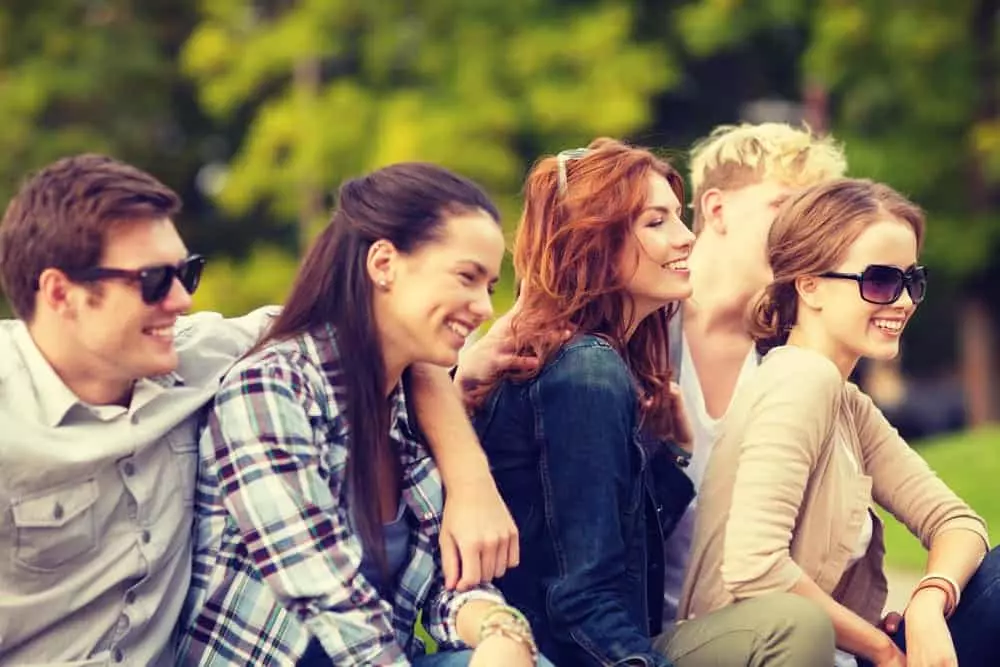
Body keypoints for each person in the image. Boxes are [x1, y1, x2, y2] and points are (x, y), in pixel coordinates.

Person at [0, 155, 519, 666]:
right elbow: (323, 592)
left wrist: (473, 481)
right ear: (60, 293)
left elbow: (385, 333)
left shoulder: (196, 352)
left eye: (188, 274)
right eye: (154, 281)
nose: (181, 300)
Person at [452, 122, 850, 623]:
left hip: (706, 620)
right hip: (641, 633)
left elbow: (628, 532)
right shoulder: (607, 355)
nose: (806, 231)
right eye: (786, 207)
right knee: (795, 628)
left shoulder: (789, 352)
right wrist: (460, 382)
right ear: (716, 210)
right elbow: (582, 579)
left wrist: (675, 455)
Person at [180, 162, 552, 667]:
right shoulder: (272, 387)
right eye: (467, 277)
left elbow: (447, 591)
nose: (484, 308)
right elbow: (324, 593)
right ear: (383, 263)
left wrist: (499, 631)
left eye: (488, 287)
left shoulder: (413, 413)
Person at [679, 178, 999, 667]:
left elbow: (956, 522)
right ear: (808, 286)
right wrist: (885, 652)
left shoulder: (845, 401)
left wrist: (928, 603)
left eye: (912, 281)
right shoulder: (798, 380)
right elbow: (754, 567)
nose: (904, 302)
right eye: (880, 281)